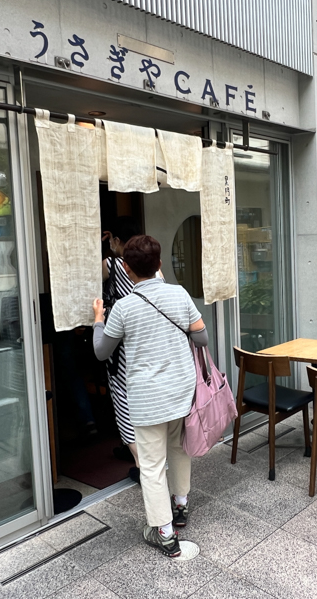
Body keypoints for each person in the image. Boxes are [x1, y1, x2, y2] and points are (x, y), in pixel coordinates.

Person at [93, 235, 208, 558]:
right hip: (181, 391)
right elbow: (202, 338)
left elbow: (102, 352)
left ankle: (165, 533)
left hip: (147, 399)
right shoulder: (178, 294)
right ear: (159, 265)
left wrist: (98, 320)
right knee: (178, 449)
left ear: (127, 269)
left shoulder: (124, 307)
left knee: (153, 466)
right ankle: (181, 507)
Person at [101, 217, 144, 481]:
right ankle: (146, 456)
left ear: (116, 240)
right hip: (145, 344)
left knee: (123, 403)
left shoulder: (113, 264)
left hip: (121, 346)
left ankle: (140, 464)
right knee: (143, 402)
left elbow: (81, 275)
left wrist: (102, 246)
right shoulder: (149, 267)